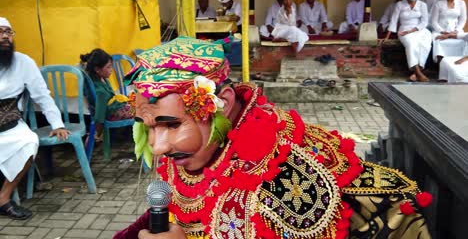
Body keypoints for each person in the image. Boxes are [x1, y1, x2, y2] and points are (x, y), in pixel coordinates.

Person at [114, 36, 431, 239]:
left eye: (171, 125)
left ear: (221, 103)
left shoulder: (282, 176)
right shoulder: (199, 149)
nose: (157, 146)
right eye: (147, 126)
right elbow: (182, 207)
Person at [0, 17, 70, 220]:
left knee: (29, 142)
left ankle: (3, 198)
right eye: (0, 32)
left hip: (10, 125)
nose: (5, 37)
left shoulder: (23, 62)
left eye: (8, 32)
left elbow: (42, 96)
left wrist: (57, 124)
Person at [80, 49, 134, 142]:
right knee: (145, 111)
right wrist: (97, 133)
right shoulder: (100, 92)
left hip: (117, 107)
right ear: (97, 69)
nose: (111, 70)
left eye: (111, 66)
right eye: (108, 67)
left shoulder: (103, 79)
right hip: (114, 112)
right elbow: (99, 117)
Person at [382, 0, 432, 82]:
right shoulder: (400, 5)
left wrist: (413, 30)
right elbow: (393, 21)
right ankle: (418, 73)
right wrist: (387, 37)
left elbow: (425, 22)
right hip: (404, 30)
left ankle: (415, 73)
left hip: (420, 29)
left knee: (425, 44)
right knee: (411, 44)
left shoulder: (422, 5)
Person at [431, 0, 467, 65]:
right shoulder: (439, 4)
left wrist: (456, 30)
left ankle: (457, 65)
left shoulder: (461, 3)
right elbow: (434, 21)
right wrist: (442, 31)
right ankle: (441, 66)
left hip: (456, 30)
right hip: (440, 30)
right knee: (438, 40)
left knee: (462, 41)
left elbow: (463, 19)